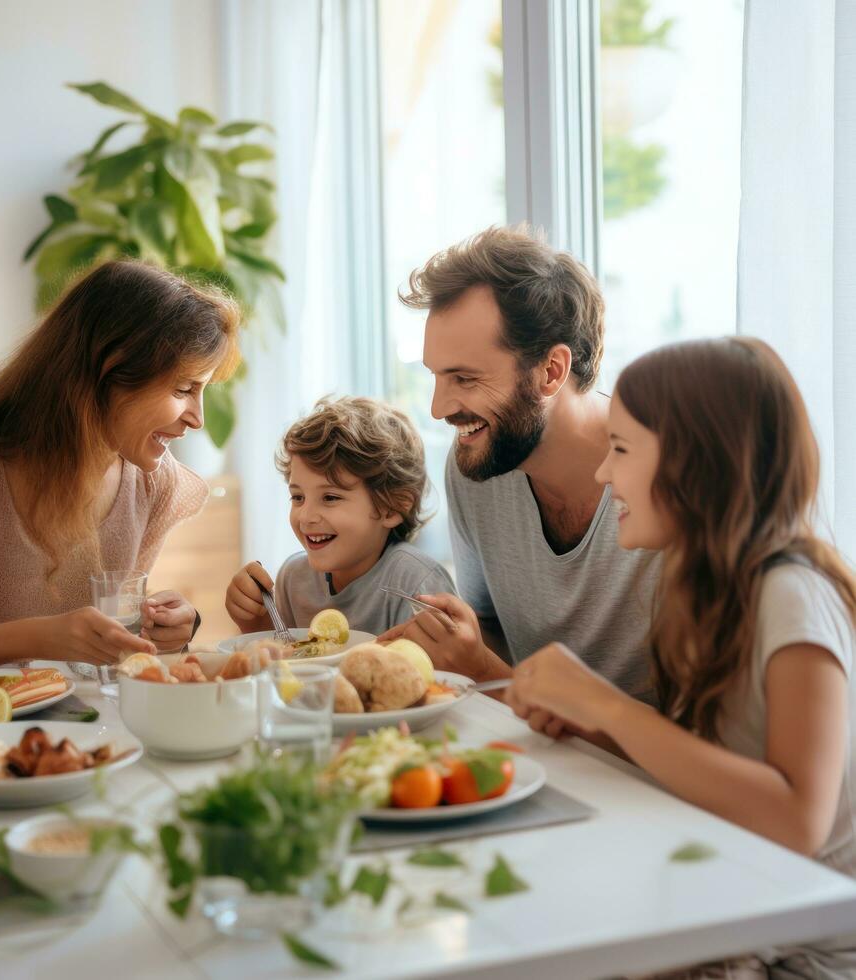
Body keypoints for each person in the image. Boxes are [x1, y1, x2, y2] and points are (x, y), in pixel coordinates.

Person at [505, 338, 856, 979]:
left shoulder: (792, 593)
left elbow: (797, 820)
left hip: (806, 950)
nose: (603, 474)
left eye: (621, 450)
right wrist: (590, 724)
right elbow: (709, 776)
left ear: (697, 463)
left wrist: (603, 703)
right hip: (740, 910)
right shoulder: (700, 590)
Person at [0, 260, 239, 670]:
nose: (198, 417)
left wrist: (164, 632)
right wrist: (41, 637)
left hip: (81, 726)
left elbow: (110, 651)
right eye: (184, 388)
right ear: (110, 370)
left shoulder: (153, 482)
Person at [383, 226, 659, 709]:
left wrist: (483, 669)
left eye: (464, 378)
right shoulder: (477, 463)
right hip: (535, 756)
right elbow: (489, 628)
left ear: (551, 371)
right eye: (436, 377)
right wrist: (457, 647)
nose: (439, 408)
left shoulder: (664, 482)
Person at [225, 396, 456, 637]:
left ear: (393, 507)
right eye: (298, 497)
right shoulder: (293, 579)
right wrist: (255, 622)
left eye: (330, 498)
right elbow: (284, 660)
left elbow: (440, 670)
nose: (306, 517)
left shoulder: (416, 583)